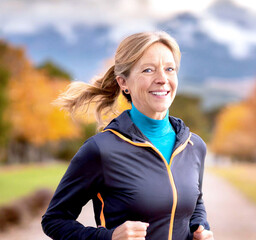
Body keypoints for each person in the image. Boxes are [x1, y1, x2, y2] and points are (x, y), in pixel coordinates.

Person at [41, 31, 214, 240]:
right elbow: (55, 220)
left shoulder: (194, 146)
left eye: (169, 69)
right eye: (148, 70)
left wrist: (200, 227)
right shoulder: (101, 149)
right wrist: (109, 237)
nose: (162, 79)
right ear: (124, 83)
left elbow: (195, 203)